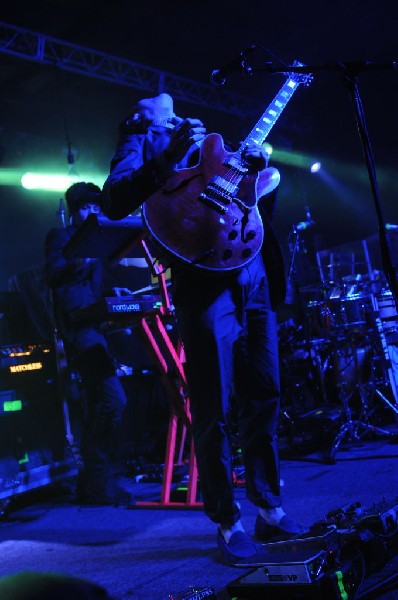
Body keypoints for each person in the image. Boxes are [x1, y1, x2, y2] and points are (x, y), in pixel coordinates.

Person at [102, 93, 305, 564]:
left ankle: (268, 506)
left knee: (266, 391)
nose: (169, 112)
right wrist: (168, 155)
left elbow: (248, 190)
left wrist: (256, 167)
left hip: (251, 272)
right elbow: (114, 199)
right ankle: (227, 519)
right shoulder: (140, 137)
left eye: (173, 110)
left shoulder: (204, 132)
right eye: (159, 110)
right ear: (140, 116)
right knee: (214, 404)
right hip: (202, 277)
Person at [44, 182, 130, 506]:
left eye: (95, 206)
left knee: (101, 405)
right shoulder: (61, 238)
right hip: (79, 330)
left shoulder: (98, 241)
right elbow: (52, 275)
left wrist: (114, 295)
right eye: (85, 207)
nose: (92, 211)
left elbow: (95, 289)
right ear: (73, 210)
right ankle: (97, 481)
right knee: (112, 401)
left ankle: (95, 485)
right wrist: (81, 257)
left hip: (97, 329)